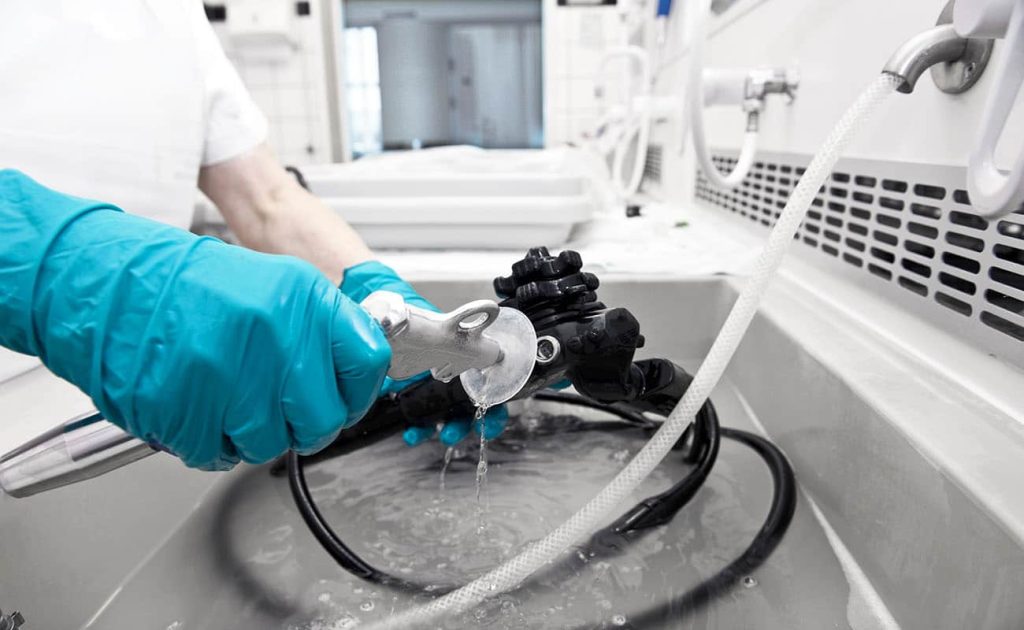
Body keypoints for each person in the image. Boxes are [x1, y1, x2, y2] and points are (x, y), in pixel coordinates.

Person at [0, 1, 504, 471]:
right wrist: (55, 267)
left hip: (168, 382)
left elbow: (266, 200)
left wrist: (377, 299)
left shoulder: (175, 16)